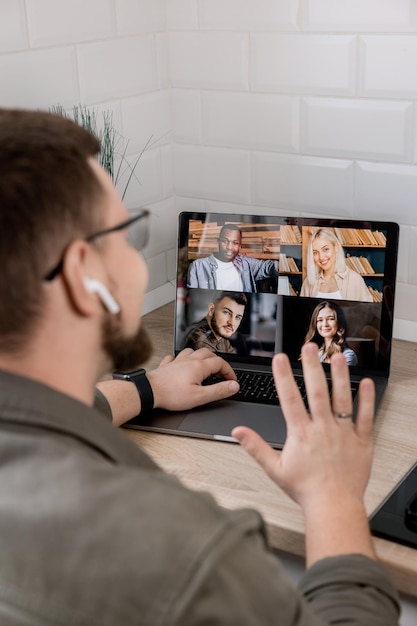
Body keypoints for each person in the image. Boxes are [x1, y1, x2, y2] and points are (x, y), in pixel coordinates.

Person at [0, 108, 399, 626]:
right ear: (83, 274)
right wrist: (335, 499)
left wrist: (146, 389)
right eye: (125, 234)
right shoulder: (191, 556)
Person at [187, 223, 279, 292]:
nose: (229, 247)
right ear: (218, 242)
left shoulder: (246, 264)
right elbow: (192, 300)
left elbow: (270, 267)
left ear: (240, 246)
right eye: (225, 241)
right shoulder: (198, 266)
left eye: (235, 243)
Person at [300, 227, 373, 302]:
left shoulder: (355, 280)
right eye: (315, 252)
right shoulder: (309, 282)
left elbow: (368, 312)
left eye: (326, 249)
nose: (321, 257)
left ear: (336, 247)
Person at [182, 291, 247, 354]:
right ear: (211, 309)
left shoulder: (219, 334)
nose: (231, 323)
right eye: (226, 312)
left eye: (237, 317)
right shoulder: (201, 341)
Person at [303, 301, 358, 366]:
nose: (325, 324)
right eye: (320, 320)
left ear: (339, 322)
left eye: (330, 319)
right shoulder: (317, 353)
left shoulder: (347, 355)